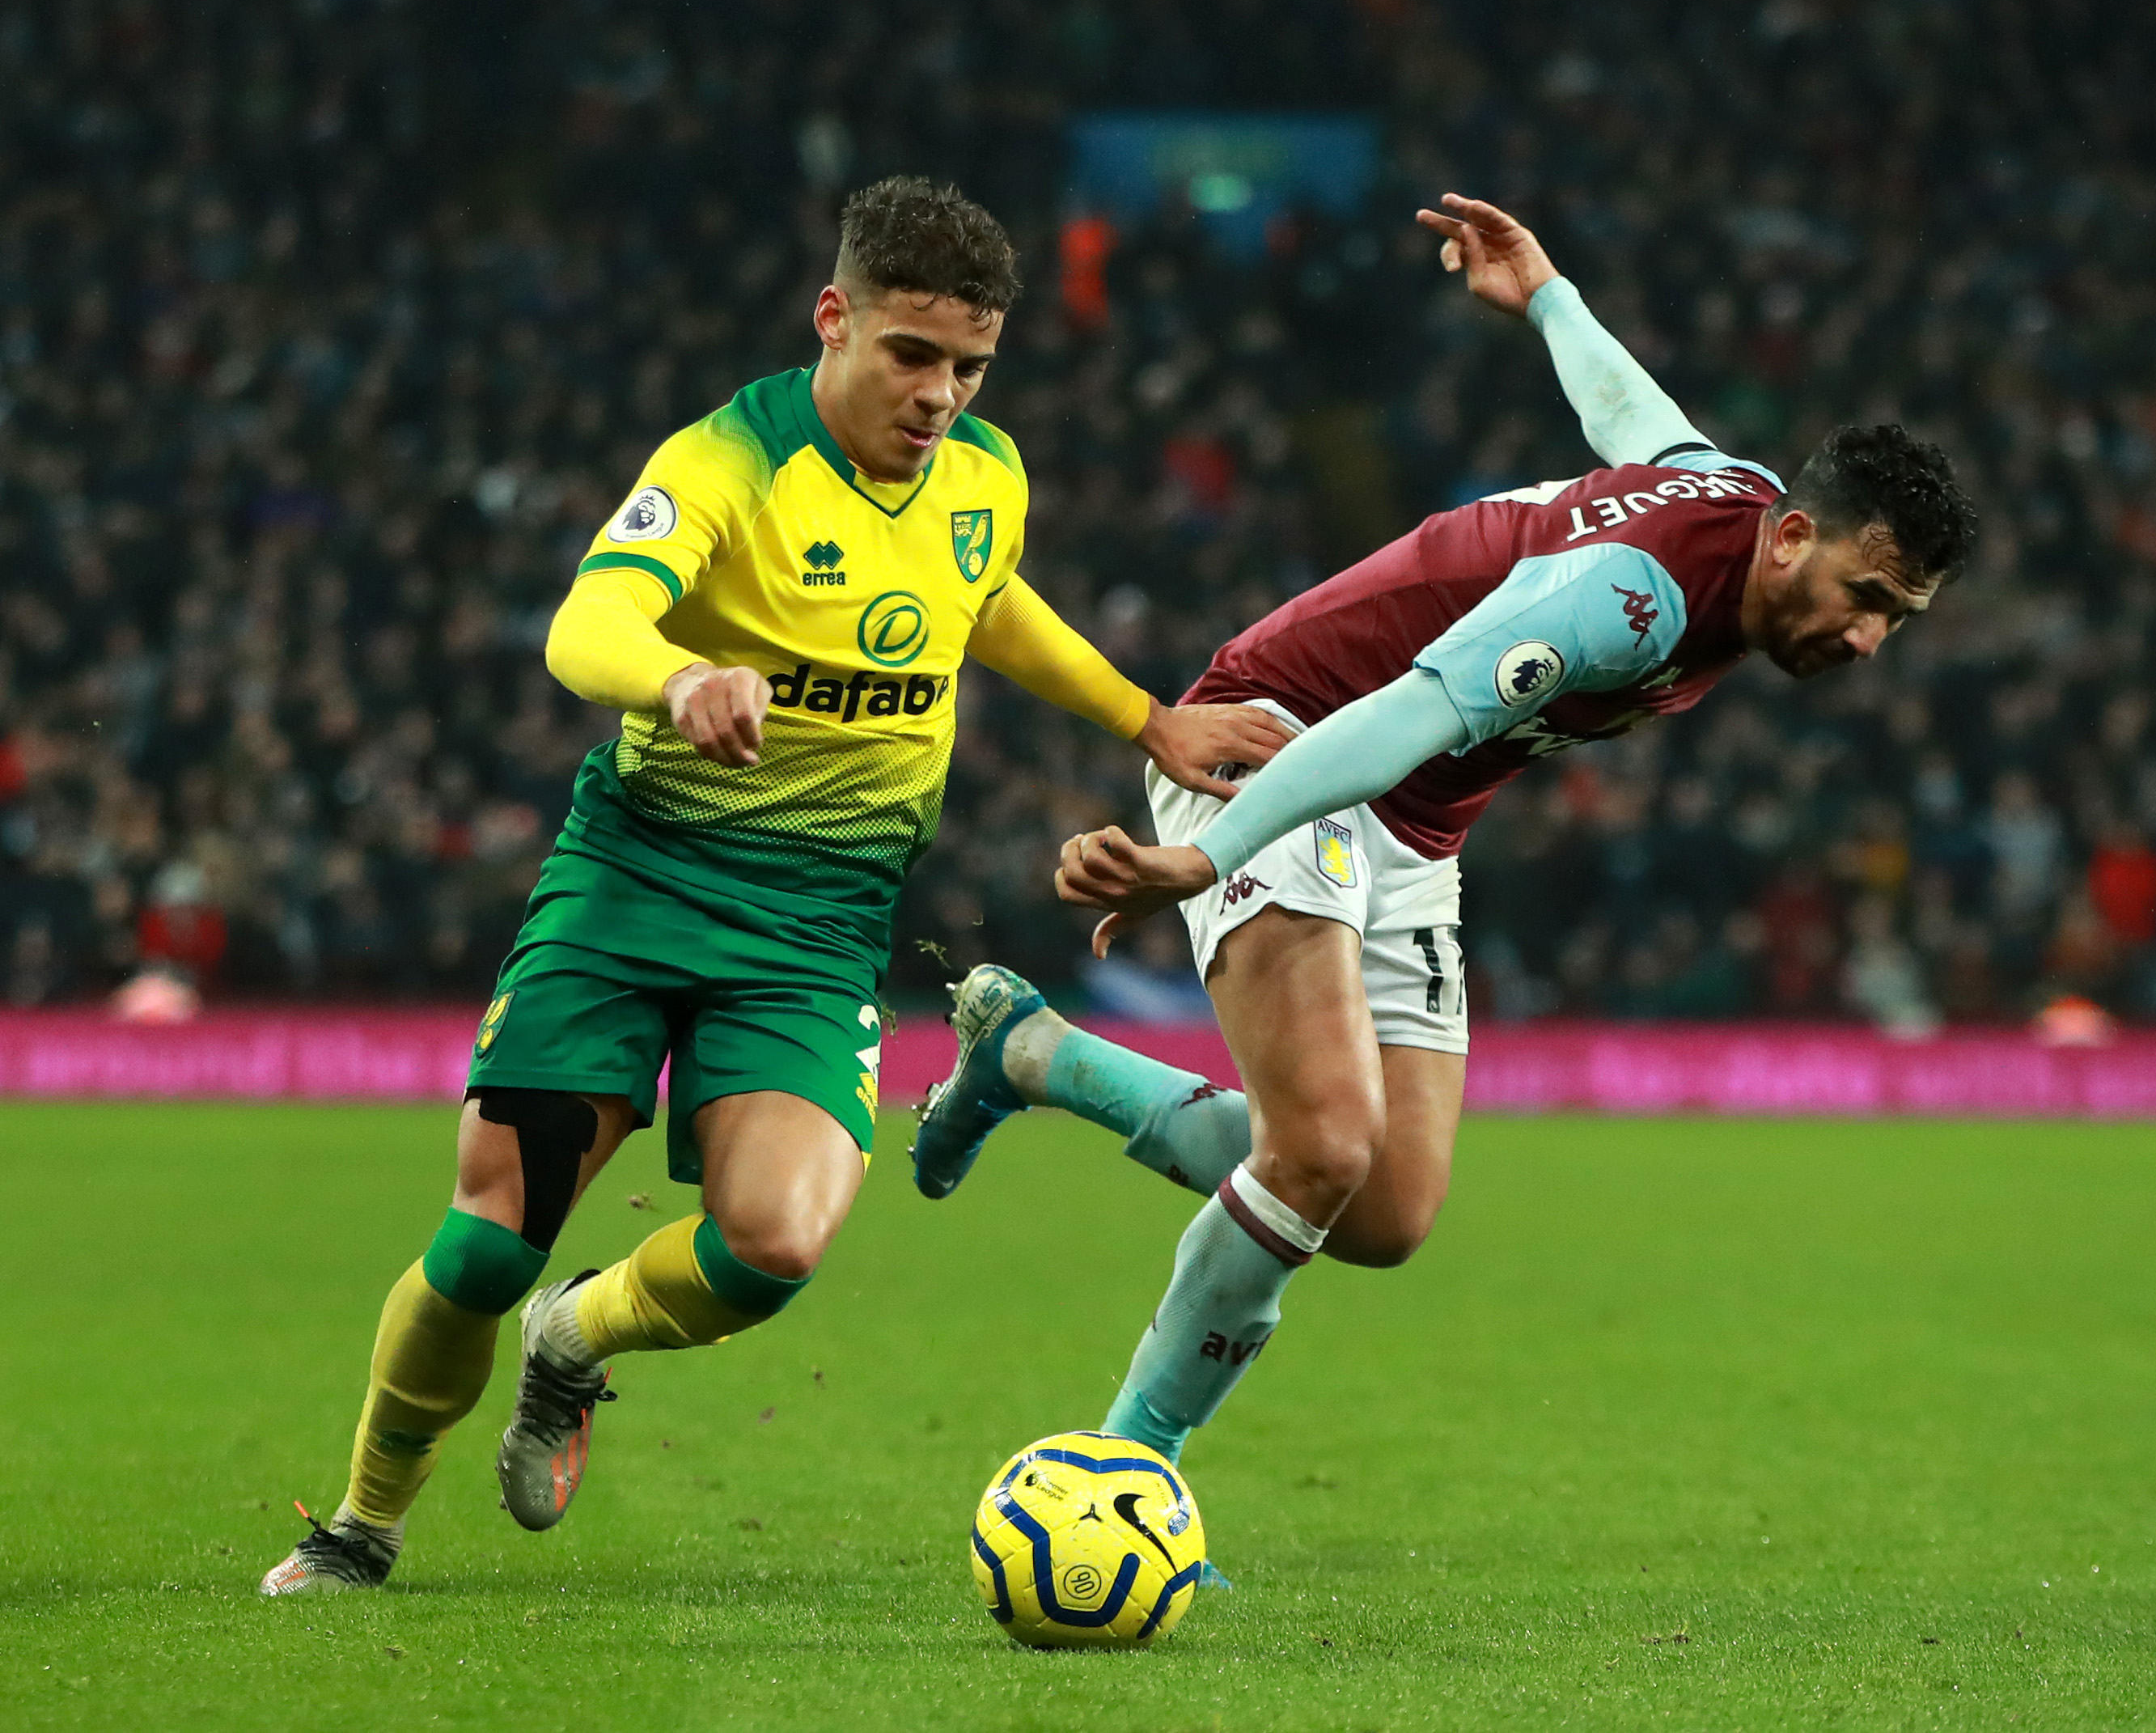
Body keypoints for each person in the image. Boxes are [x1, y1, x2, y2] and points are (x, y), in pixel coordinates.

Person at [260, 177, 1288, 1595]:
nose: (940, 394)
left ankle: (575, 1343)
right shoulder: (729, 460)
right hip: (636, 880)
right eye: (911, 356)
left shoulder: (986, 475)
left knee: (778, 1241)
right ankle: (360, 1526)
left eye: (969, 365)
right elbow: (589, 617)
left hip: (816, 922)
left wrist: (1146, 719)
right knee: (486, 1246)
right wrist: (678, 675)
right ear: (835, 319)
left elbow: (986, 598)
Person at [913, 193, 1976, 1472]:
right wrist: (1213, 850)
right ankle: (1126, 1469)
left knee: (1388, 1208)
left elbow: (1634, 419)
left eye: (1895, 621)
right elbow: (1410, 711)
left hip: (1410, 820)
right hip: (1283, 738)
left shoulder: (1732, 499)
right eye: (1866, 599)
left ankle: (1036, 1054)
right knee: (1317, 1148)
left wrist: (1545, 297)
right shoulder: (1631, 603)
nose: (1867, 641)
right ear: (1794, 537)